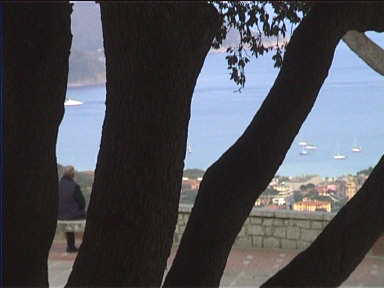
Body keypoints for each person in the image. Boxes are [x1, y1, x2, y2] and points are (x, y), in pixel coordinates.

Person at [58, 165, 86, 253]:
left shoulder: (57, 185)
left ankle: (70, 246)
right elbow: (82, 203)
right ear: (72, 174)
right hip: (72, 215)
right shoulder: (74, 186)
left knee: (68, 215)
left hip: (60, 215)